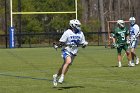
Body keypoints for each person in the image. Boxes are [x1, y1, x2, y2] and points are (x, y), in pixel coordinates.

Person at [52, 19, 88, 86]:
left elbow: (82, 44)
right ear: (72, 25)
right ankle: (62, 77)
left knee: (66, 65)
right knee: (68, 62)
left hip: (74, 52)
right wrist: (57, 45)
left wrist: (84, 44)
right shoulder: (67, 32)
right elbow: (61, 42)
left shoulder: (81, 33)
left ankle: (56, 76)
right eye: (77, 25)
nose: (79, 26)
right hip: (66, 50)